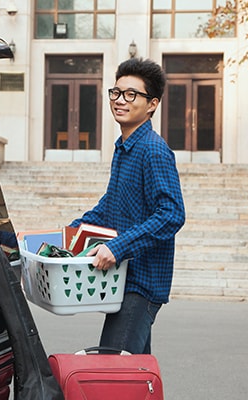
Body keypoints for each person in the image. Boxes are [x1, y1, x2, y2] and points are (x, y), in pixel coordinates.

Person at [69, 58, 186, 355]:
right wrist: (72, 232)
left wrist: (118, 247)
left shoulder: (153, 150)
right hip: (124, 279)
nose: (120, 100)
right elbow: (111, 204)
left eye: (131, 94)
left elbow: (172, 214)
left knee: (112, 369)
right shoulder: (124, 147)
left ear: (152, 105)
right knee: (132, 375)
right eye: (116, 93)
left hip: (142, 283)